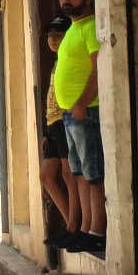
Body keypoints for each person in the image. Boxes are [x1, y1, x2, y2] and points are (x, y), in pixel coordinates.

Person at [54, 0, 106, 255]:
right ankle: (85, 229)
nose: (65, 0)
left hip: (87, 111)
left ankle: (98, 231)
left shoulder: (91, 27)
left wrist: (83, 102)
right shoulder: (74, 28)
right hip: (71, 114)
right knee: (79, 174)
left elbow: (100, 69)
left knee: (93, 173)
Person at [39, 15, 84, 251]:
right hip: (53, 123)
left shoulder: (69, 58)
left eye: (58, 34)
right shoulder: (58, 61)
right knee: (47, 175)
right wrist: (46, 131)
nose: (53, 39)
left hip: (66, 119)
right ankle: (70, 224)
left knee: (70, 175)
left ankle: (74, 228)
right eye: (50, 35)